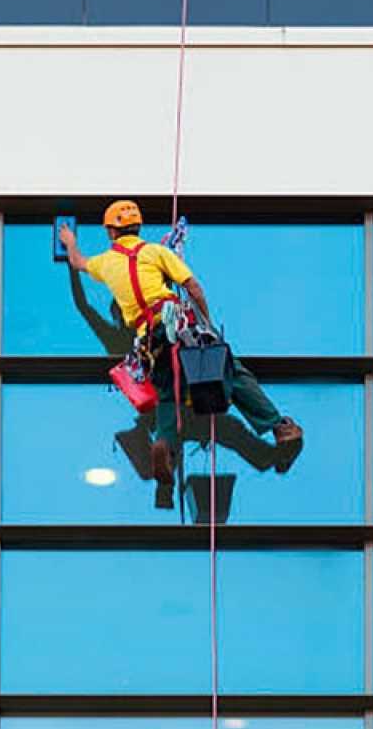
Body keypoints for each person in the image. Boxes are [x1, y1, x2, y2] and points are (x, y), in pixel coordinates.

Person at [59, 200, 303, 506]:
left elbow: (79, 264)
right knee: (232, 373)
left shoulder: (107, 263)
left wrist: (70, 242)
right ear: (138, 227)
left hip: (151, 342)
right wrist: (209, 325)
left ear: (111, 231)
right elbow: (193, 287)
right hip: (181, 326)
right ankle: (280, 428)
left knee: (167, 396)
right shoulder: (156, 252)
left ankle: (166, 448)